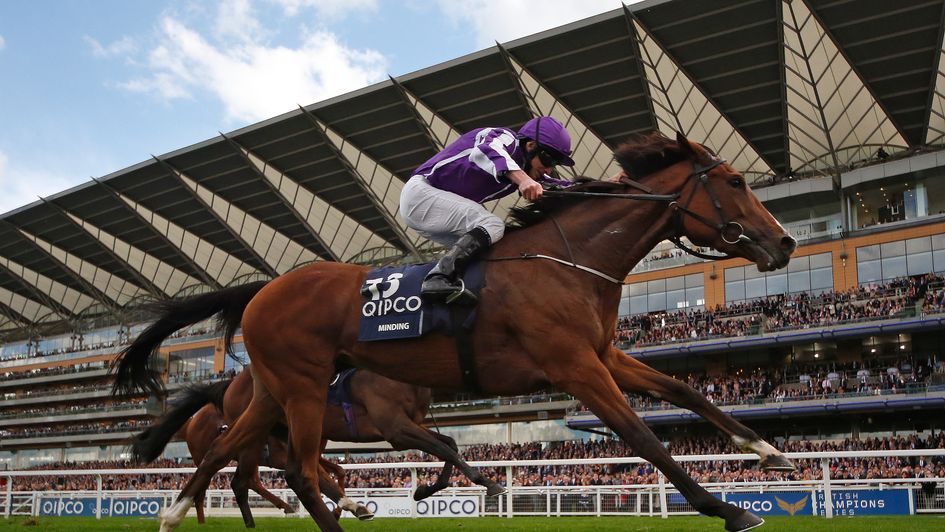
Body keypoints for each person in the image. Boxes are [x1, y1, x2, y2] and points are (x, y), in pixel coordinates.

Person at [399, 116, 576, 302]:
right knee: (492, 224)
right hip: (421, 193)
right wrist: (523, 180)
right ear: (531, 145)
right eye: (549, 160)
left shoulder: (523, 169)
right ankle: (438, 277)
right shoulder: (505, 138)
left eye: (555, 164)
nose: (549, 169)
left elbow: (562, 186)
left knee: (496, 246)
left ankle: (465, 289)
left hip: (430, 208)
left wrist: (605, 186)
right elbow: (486, 151)